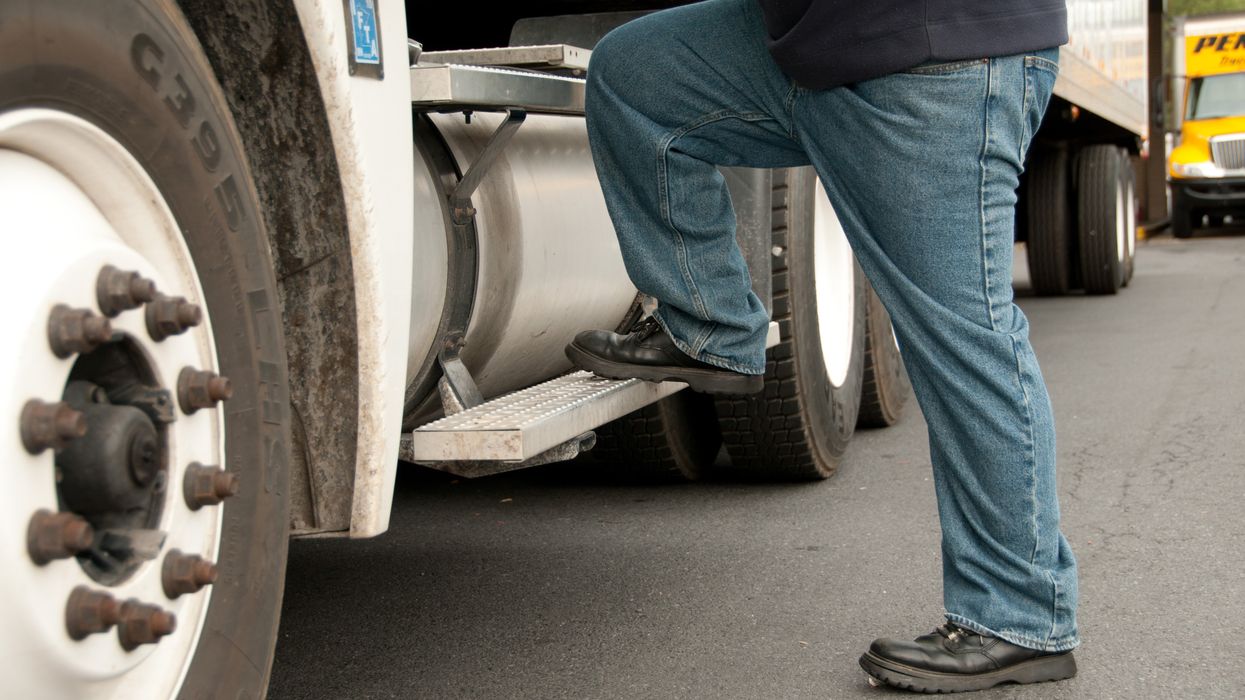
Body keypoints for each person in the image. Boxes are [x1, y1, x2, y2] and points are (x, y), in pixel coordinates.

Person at [563, 0, 1080, 693]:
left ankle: (1019, 617)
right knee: (637, 72)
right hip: (812, 38)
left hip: (934, 51)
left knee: (962, 340)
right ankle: (710, 325)